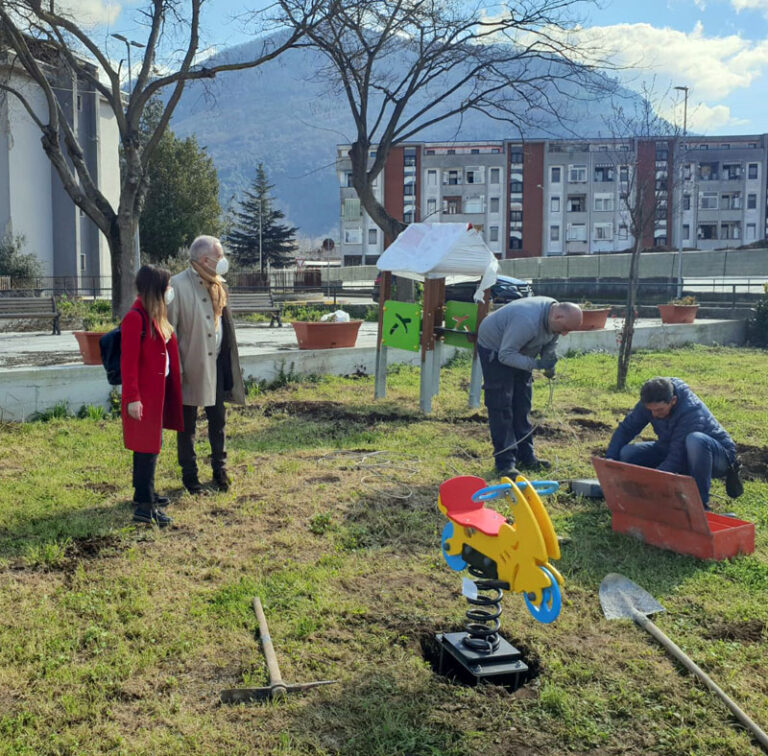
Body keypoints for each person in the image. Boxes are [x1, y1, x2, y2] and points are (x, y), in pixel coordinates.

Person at [167, 235, 245, 494]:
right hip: (190, 368)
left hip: (218, 363)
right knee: (187, 425)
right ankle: (190, 477)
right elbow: (169, 332)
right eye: (220, 257)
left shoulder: (218, 283)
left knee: (218, 420)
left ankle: (219, 470)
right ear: (204, 260)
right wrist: (175, 371)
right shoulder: (177, 286)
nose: (223, 261)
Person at [476, 296, 582, 478]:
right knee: (501, 405)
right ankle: (505, 463)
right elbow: (506, 355)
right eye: (565, 329)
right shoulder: (527, 320)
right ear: (557, 317)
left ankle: (526, 456)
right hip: (496, 348)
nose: (564, 334)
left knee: (522, 403)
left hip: (522, 349)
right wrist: (537, 364)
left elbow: (551, 341)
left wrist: (548, 363)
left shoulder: (553, 316)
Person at [605, 377, 743, 509]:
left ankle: (700, 504)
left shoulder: (691, 412)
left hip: (716, 457)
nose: (654, 415)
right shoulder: (650, 399)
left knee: (695, 440)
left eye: (659, 410)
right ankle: (634, 495)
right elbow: (627, 428)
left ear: (673, 401)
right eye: (650, 410)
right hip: (673, 446)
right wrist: (610, 460)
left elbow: (677, 456)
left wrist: (653, 484)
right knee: (627, 453)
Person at [121, 265, 184, 527]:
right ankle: (145, 509)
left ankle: (142, 494)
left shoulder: (154, 316)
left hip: (157, 394)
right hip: (144, 396)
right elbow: (129, 363)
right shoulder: (135, 318)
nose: (170, 290)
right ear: (156, 289)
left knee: (149, 445)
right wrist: (133, 398)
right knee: (148, 448)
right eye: (166, 286)